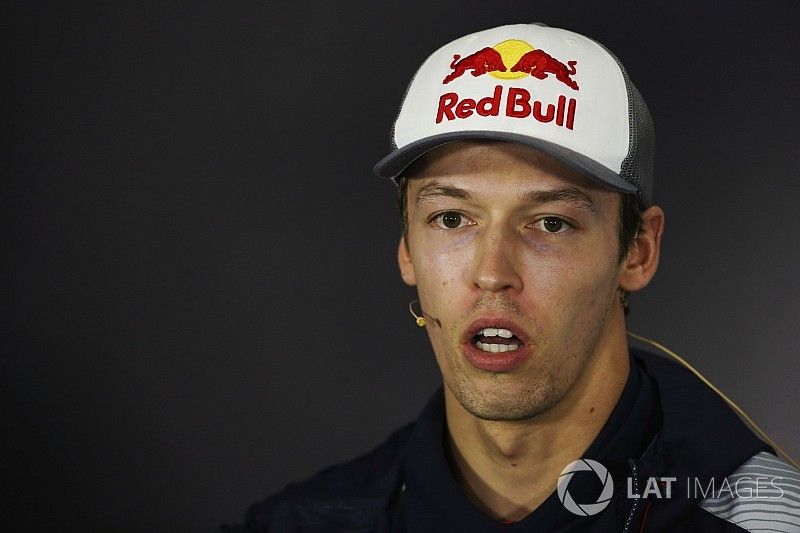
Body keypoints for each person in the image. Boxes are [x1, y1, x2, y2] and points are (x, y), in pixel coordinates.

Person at [221, 23, 800, 532]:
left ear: (638, 252)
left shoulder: (765, 520)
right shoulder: (305, 520)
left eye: (550, 222)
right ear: (406, 250)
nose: (492, 274)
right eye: (452, 219)